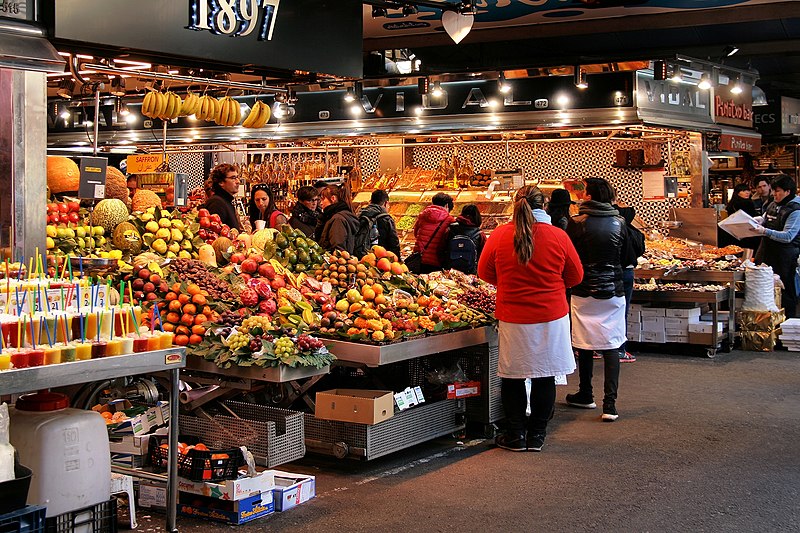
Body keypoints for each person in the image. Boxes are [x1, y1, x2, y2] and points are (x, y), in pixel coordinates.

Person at [478, 185, 583, 452]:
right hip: (551, 316)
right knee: (544, 376)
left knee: (512, 376)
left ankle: (515, 435)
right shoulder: (558, 236)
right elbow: (576, 276)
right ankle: (536, 435)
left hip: (513, 316)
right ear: (544, 206)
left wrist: (509, 283)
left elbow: (485, 272)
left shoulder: (500, 235)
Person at [566, 177, 627, 422]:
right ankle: (609, 404)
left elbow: (569, 257)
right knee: (611, 343)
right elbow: (625, 255)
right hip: (613, 288)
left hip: (583, 288)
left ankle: (585, 393)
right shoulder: (620, 222)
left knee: (584, 342)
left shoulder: (576, 222)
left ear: (589, 196)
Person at [752, 174, 800, 318]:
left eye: (777, 191)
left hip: (785, 259)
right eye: (773, 190)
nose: (773, 194)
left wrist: (764, 231)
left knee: (785, 294)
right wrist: (758, 221)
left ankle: (786, 328)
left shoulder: (796, 210)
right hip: (767, 254)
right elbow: (766, 217)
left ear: (787, 192)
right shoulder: (773, 203)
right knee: (766, 293)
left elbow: (788, 236)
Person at [613, 197, 645, 364]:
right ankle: (619, 350)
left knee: (601, 313)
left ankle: (596, 348)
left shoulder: (603, 225)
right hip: (624, 273)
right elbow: (639, 250)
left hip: (601, 274)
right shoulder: (628, 228)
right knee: (620, 311)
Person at [413, 192, 455, 273]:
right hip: (437, 261)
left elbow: (416, 233)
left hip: (420, 258)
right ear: (447, 206)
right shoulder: (449, 220)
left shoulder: (422, 215)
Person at [316, 184, 359, 253]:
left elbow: (338, 249)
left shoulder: (338, 219)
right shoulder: (342, 215)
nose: (321, 203)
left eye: (323, 199)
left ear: (333, 199)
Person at [356, 189, 400, 257]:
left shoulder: (360, 215)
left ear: (370, 202)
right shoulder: (387, 219)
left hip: (362, 257)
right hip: (381, 260)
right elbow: (394, 244)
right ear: (386, 203)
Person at [445, 204, 486, 274]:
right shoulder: (480, 234)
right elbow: (484, 254)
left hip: (451, 270)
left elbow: (442, 248)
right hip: (471, 271)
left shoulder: (450, 229)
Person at [203, 163, 242, 231]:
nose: (238, 181)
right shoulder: (216, 203)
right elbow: (215, 233)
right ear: (221, 182)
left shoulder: (226, 201)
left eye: (237, 177)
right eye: (233, 178)